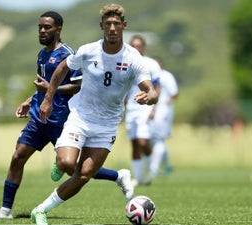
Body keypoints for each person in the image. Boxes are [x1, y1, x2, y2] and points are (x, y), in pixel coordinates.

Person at [0, 10, 132, 221]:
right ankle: (5, 210)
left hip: (62, 118)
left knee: (72, 168)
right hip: (39, 117)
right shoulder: (42, 54)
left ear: (58, 29)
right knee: (18, 156)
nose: (42, 31)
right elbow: (44, 85)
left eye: (47, 27)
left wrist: (51, 91)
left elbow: (77, 86)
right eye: (40, 27)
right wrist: (30, 100)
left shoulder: (68, 54)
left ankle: (117, 175)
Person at [31, 4, 158, 225]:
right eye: (107, 24)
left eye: (116, 24)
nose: (111, 28)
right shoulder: (88, 50)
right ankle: (67, 163)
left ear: (123, 26)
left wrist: (151, 95)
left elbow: (151, 89)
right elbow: (62, 68)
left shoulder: (133, 57)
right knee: (66, 163)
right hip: (80, 117)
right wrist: (48, 99)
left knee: (83, 174)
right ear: (101, 26)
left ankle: (40, 210)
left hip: (107, 124)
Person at [125, 35, 162, 186]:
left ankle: (151, 170)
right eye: (133, 45)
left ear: (144, 47)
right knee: (134, 143)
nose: (136, 48)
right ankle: (139, 178)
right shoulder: (125, 63)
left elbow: (157, 87)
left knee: (142, 141)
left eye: (139, 45)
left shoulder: (151, 64)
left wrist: (154, 107)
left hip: (146, 107)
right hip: (131, 108)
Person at [145, 59, 179, 184]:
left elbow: (175, 94)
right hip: (152, 112)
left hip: (163, 113)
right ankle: (167, 165)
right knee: (152, 140)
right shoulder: (148, 76)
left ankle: (153, 169)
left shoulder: (166, 76)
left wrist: (165, 105)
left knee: (158, 139)